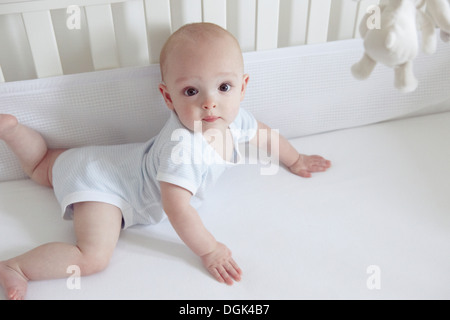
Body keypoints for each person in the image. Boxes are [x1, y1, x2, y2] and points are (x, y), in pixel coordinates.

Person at [0, 22, 331, 300]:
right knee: (93, 257)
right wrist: (210, 250)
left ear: (242, 88)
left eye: (224, 87)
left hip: (102, 161)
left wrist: (296, 158)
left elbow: (264, 135)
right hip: (107, 189)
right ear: (168, 96)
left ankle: (16, 135)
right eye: (191, 92)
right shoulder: (181, 150)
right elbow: (177, 209)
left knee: (45, 166)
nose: (210, 104)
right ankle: (16, 267)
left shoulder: (237, 119)